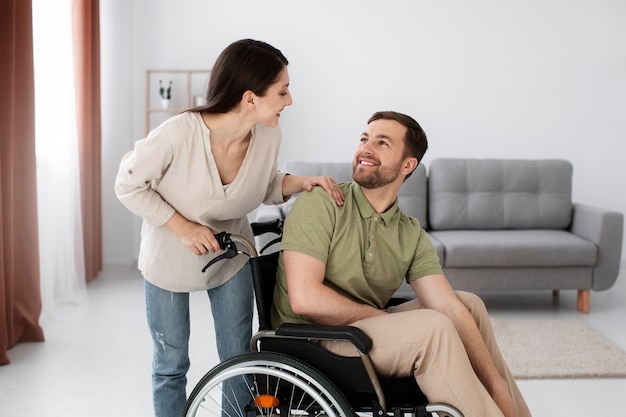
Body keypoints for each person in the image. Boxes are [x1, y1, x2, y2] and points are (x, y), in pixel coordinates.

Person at [115, 39, 344, 417]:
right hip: (170, 257)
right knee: (171, 365)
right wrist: (183, 226)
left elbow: (263, 183)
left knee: (239, 359)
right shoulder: (176, 134)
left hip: (231, 254)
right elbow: (127, 185)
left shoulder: (269, 134)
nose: (290, 101)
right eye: (283, 91)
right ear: (250, 98)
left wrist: (303, 182)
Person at [271, 111, 532, 417]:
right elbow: (305, 300)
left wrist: (495, 383)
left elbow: (447, 305)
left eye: (382, 143)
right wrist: (379, 317)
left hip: (363, 334)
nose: (366, 149)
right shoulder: (323, 202)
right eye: (364, 139)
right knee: (433, 329)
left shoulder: (409, 232)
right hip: (314, 339)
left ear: (408, 165)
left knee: (467, 305)